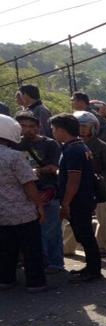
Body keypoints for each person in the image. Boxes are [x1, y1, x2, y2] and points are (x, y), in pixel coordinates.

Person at [50, 113, 102, 283]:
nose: (53, 132)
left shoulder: (73, 150)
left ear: (61, 130)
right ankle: (91, 267)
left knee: (85, 235)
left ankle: (94, 270)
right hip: (84, 198)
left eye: (54, 129)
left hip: (78, 200)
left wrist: (65, 204)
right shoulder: (80, 146)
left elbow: (74, 180)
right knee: (84, 235)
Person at [0, 114, 47, 293]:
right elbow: (28, 184)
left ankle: (5, 280)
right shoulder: (15, 156)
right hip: (22, 212)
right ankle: (36, 283)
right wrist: (39, 206)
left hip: (1, 214)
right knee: (31, 250)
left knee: (5, 250)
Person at [14, 111, 64, 274]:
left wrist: (39, 171)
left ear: (39, 127)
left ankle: (55, 263)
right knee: (29, 232)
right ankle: (37, 262)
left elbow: (55, 167)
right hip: (22, 195)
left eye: (31, 126)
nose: (27, 130)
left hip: (47, 193)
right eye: (23, 126)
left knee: (51, 230)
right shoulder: (13, 144)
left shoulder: (50, 144)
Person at [64, 111, 106, 258]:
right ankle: (67, 247)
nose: (82, 129)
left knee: (104, 220)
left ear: (93, 128)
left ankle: (103, 248)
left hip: (99, 189)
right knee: (73, 219)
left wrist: (99, 179)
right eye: (79, 126)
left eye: (85, 126)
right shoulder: (70, 146)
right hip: (78, 189)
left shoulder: (101, 146)